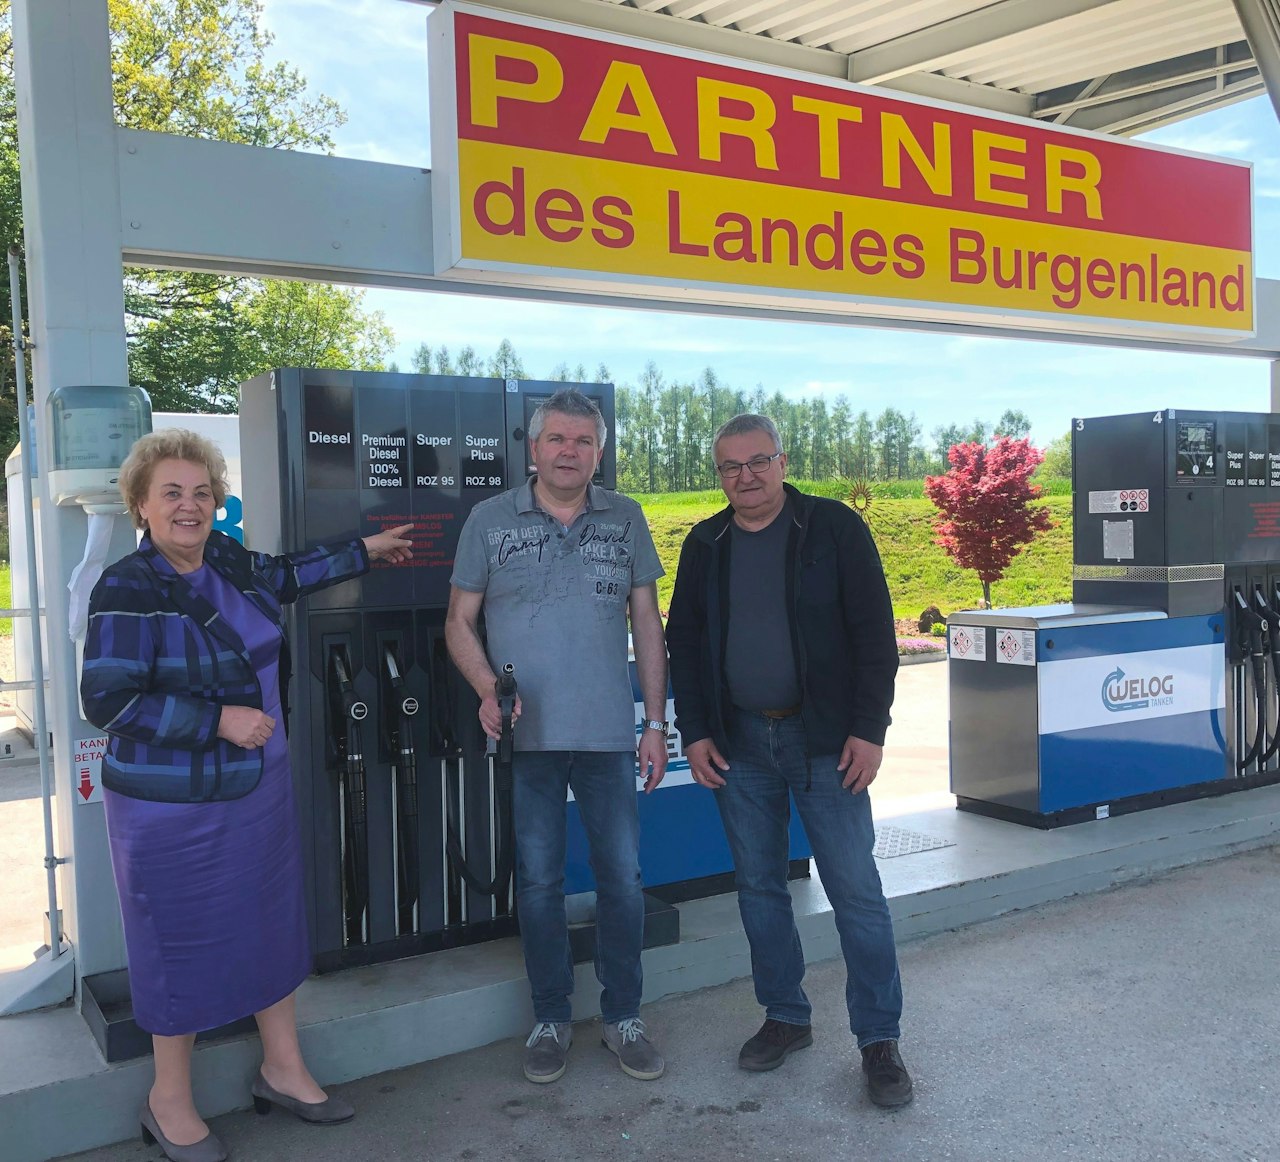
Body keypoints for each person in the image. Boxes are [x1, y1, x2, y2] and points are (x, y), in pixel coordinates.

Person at [81, 429, 413, 1162]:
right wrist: (218, 721)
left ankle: (282, 1069)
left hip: (258, 789)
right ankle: (168, 1102)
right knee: (178, 943)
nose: (189, 506)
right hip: (173, 808)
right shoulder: (127, 587)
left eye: (202, 492)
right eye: (171, 492)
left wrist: (368, 549)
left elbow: (285, 573)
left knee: (269, 921)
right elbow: (106, 699)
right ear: (141, 504)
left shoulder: (226, 561)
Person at [665, 413, 913, 1108]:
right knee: (759, 889)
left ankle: (879, 1040)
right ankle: (785, 1016)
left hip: (827, 744)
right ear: (718, 474)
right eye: (730, 467)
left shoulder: (832, 529)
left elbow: (874, 635)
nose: (745, 476)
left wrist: (869, 728)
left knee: (856, 893)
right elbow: (684, 641)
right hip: (741, 744)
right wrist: (698, 729)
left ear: (781, 461)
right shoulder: (705, 543)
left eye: (757, 461)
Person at [445, 388, 669, 1085]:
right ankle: (550, 1018)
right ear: (533, 447)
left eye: (584, 442)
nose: (570, 452)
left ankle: (624, 1016)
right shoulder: (488, 520)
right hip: (528, 736)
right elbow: (458, 622)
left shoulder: (626, 518)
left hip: (607, 735)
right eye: (558, 440)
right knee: (539, 883)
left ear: (598, 452)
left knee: (623, 882)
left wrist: (655, 722)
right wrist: (487, 688)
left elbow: (648, 627)